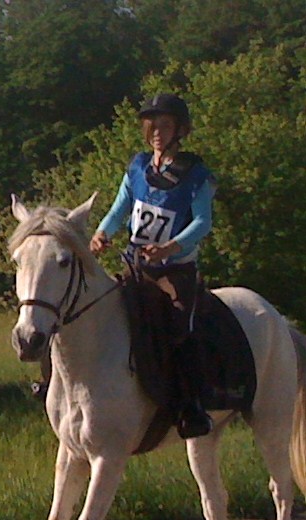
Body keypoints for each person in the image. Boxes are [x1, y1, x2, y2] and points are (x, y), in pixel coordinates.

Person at [89, 92, 218, 439]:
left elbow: (203, 222)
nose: (157, 132)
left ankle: (192, 406)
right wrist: (102, 232)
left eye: (165, 125)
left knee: (180, 325)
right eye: (153, 126)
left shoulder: (197, 175)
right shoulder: (138, 167)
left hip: (175, 270)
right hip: (136, 266)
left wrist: (170, 248)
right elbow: (120, 208)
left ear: (179, 130)